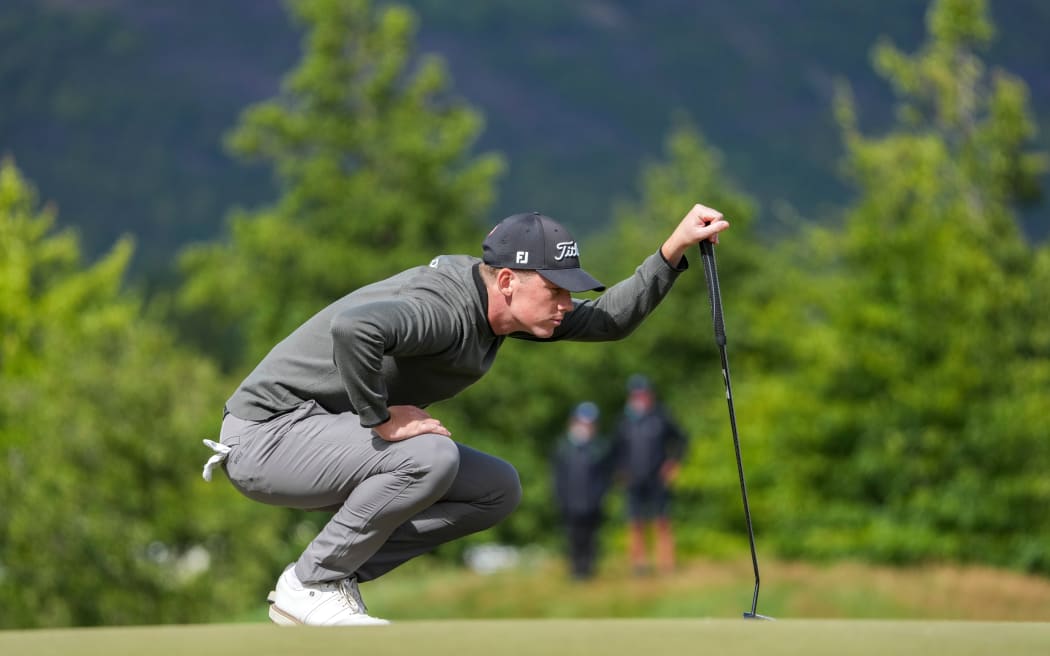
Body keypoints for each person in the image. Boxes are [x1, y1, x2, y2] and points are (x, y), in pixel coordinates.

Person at [201, 205, 729, 625]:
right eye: (554, 288)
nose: (566, 302)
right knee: (428, 454)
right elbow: (355, 329)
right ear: (506, 282)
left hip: (310, 436)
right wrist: (380, 417)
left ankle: (333, 580)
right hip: (265, 438)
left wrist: (672, 248)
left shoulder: (509, 311)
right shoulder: (445, 308)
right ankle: (312, 582)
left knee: (496, 488)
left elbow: (611, 320)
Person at [614, 374, 688, 576]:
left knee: (662, 521)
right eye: (635, 394)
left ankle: (666, 563)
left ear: (650, 395)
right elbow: (616, 449)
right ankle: (639, 564)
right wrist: (621, 471)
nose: (639, 398)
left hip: (657, 479)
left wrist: (673, 463)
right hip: (634, 480)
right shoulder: (624, 421)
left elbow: (681, 439)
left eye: (643, 394)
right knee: (635, 522)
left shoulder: (661, 416)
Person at [551, 401, 614, 580]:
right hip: (570, 501)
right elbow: (557, 476)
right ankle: (575, 570)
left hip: (592, 501)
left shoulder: (599, 447)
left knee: (590, 538)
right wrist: (560, 497)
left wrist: (600, 496)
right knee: (573, 537)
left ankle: (588, 570)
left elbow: (605, 477)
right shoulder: (564, 447)